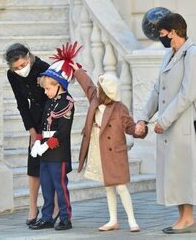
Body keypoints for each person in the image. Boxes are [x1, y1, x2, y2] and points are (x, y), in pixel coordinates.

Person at [136, 13, 196, 234]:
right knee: (174, 172)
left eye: (162, 34)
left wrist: (164, 119)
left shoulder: (192, 54)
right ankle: (183, 217)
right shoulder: (169, 55)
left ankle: (188, 218)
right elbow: (156, 90)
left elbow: (187, 94)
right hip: (170, 126)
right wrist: (143, 117)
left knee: (183, 172)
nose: (160, 38)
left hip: (183, 124)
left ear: (174, 32)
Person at [70, 61, 147, 232]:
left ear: (107, 91)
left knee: (120, 186)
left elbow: (129, 127)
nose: (96, 89)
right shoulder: (95, 100)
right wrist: (77, 71)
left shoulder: (120, 109)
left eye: (100, 88)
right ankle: (113, 220)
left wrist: (139, 130)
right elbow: (87, 86)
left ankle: (132, 220)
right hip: (99, 149)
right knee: (108, 186)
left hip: (114, 152)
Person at [29, 42, 81, 231]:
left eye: (47, 89)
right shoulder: (51, 101)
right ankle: (47, 217)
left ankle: (66, 217)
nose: (45, 92)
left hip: (57, 152)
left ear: (59, 85)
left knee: (60, 186)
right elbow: (43, 126)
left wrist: (46, 145)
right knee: (46, 186)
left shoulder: (66, 102)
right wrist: (37, 143)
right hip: (45, 150)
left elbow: (63, 131)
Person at [4, 43, 59, 226]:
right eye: (16, 67)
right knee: (33, 165)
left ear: (29, 57)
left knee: (52, 165)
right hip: (34, 119)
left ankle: (57, 208)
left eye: (23, 64)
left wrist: (48, 129)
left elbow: (55, 96)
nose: (20, 69)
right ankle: (33, 208)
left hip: (50, 117)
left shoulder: (43, 68)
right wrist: (32, 132)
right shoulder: (12, 75)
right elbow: (21, 103)